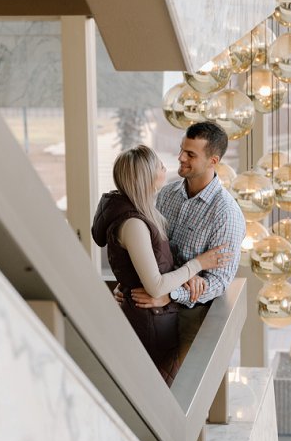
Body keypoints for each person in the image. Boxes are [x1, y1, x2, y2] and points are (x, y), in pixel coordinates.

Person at [92, 145, 231, 385]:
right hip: (148, 324)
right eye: (159, 166)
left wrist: (185, 276)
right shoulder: (133, 224)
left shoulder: (141, 212)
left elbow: (151, 267)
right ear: (146, 177)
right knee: (154, 393)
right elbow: (156, 287)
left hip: (154, 320)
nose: (166, 168)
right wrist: (199, 264)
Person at [130, 121, 246, 364]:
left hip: (192, 317)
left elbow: (219, 281)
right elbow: (154, 249)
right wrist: (188, 272)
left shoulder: (226, 214)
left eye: (191, 154)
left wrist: (171, 295)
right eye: (182, 149)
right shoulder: (166, 194)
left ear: (213, 161)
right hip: (153, 307)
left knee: (179, 382)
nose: (181, 157)